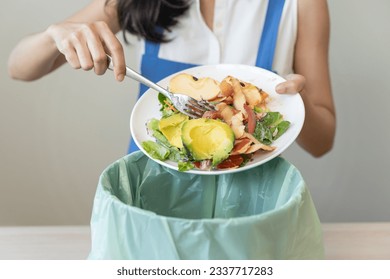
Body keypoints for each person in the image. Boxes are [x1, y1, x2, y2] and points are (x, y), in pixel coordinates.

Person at [8, 0, 335, 157]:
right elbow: (19, 68)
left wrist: (292, 100)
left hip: (252, 208)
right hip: (149, 193)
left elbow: (323, 142)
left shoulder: (300, 5)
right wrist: (56, 36)